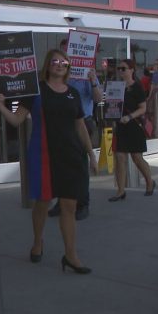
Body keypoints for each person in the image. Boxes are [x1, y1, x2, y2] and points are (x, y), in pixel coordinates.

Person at [0, 49, 97, 274]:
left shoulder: (73, 93)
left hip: (72, 156)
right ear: (48, 65)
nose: (59, 65)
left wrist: (91, 154)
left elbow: (80, 126)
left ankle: (71, 255)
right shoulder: (35, 92)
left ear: (68, 67)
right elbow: (16, 120)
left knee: (69, 206)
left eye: (64, 62)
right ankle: (38, 241)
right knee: (43, 202)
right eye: (55, 61)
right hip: (44, 155)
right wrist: (0, 105)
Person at [48, 39, 102, 221]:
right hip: (60, 125)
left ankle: (83, 203)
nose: (65, 58)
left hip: (82, 122)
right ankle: (61, 200)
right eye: (63, 55)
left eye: (67, 54)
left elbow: (98, 98)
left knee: (79, 166)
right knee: (59, 163)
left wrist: (93, 81)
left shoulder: (87, 74)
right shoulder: (59, 77)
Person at [109, 59, 156, 201]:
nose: (121, 71)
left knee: (137, 157)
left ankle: (149, 182)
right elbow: (112, 105)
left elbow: (143, 108)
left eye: (124, 68)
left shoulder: (137, 87)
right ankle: (120, 190)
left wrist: (129, 117)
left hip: (134, 125)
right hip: (121, 126)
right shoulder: (116, 86)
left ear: (131, 70)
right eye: (119, 69)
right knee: (120, 158)